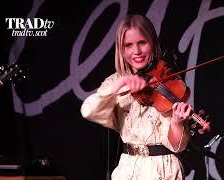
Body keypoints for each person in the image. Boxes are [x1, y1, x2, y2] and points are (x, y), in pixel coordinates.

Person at [80, 14, 193, 180]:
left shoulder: (166, 79)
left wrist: (177, 121)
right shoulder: (115, 81)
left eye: (142, 43)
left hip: (163, 170)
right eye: (128, 45)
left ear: (152, 43)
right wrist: (121, 83)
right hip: (128, 170)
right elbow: (88, 111)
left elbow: (177, 146)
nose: (137, 51)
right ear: (121, 49)